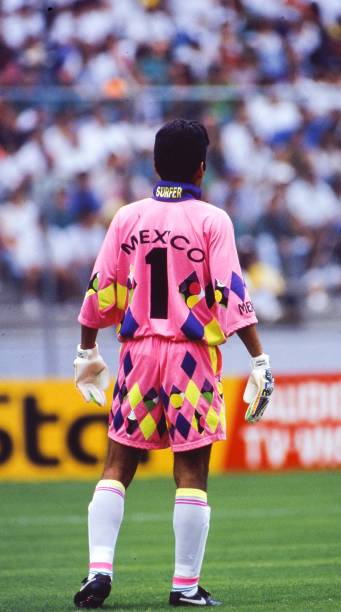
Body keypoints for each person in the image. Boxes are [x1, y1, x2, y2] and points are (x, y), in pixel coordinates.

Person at [73, 119, 274, 608]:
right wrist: (258, 357)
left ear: (155, 165)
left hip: (137, 353)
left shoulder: (127, 218)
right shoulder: (212, 220)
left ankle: (98, 571)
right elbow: (229, 295)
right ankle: (184, 586)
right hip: (190, 358)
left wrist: (87, 349)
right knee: (191, 471)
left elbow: (102, 290)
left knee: (118, 464)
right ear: (201, 169)